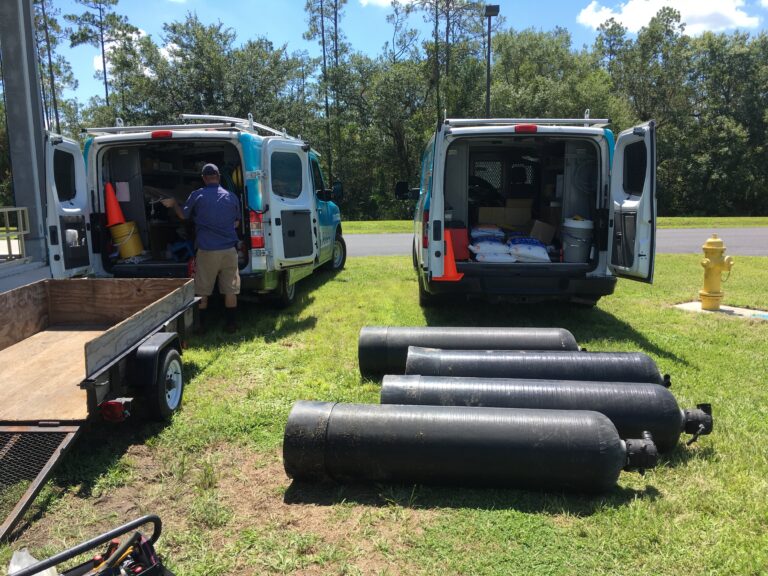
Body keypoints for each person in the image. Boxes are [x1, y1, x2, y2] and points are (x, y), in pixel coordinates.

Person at [162, 163, 241, 333]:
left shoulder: (197, 195)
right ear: (218, 177)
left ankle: (200, 326)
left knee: (202, 290)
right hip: (229, 250)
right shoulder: (232, 196)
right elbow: (236, 223)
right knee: (230, 289)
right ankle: (231, 324)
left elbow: (183, 215)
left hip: (207, 250)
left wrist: (174, 204)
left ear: (204, 178)